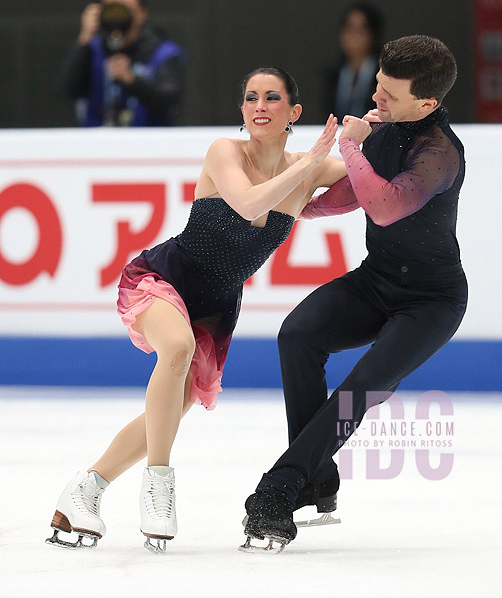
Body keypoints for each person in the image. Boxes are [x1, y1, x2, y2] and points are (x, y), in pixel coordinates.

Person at [45, 67, 359, 553]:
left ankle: (83, 491)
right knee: (176, 348)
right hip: (163, 278)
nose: (259, 105)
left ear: (293, 112)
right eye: (250, 96)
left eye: (272, 97)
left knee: (170, 409)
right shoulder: (225, 152)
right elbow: (248, 200)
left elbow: (368, 179)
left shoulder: (310, 168)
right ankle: (159, 484)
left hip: (215, 306)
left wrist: (373, 132)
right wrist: (313, 162)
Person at [243, 35, 468, 550]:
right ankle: (316, 477)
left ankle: (280, 486)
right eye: (379, 85)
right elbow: (345, 197)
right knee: (297, 335)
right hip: (378, 280)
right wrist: (285, 205)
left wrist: (351, 144)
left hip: (430, 302)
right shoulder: (387, 131)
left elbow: (386, 206)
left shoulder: (439, 153)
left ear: (427, 103)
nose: (377, 98)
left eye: (390, 93)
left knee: (359, 388)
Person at [58, 0, 185, 126]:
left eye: (123, 7)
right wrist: (85, 38)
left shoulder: (162, 52)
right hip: (97, 140)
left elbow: (169, 99)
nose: (117, 15)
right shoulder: (92, 48)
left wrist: (132, 80)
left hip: (147, 140)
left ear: (141, 12)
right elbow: (69, 89)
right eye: (111, 7)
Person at [324, 2, 384, 120]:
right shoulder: (334, 74)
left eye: (360, 30)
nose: (353, 36)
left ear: (373, 34)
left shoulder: (384, 73)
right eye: (349, 29)